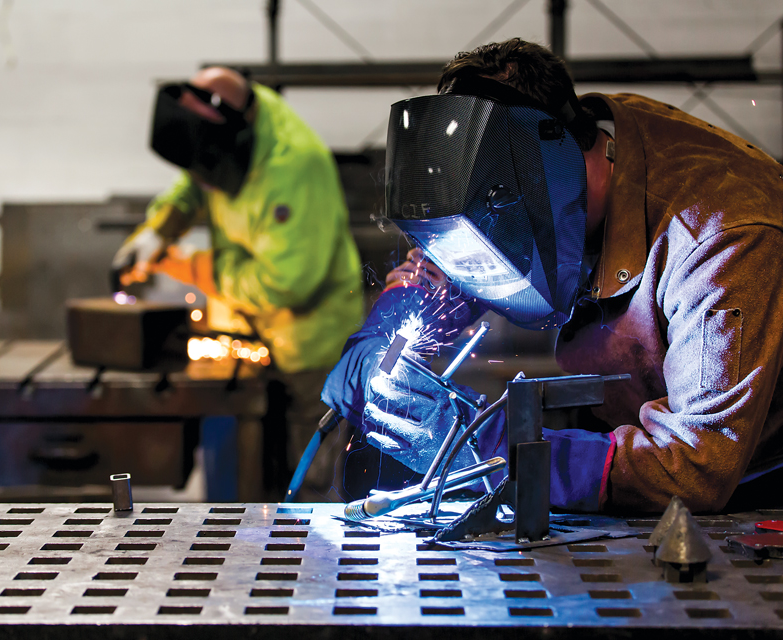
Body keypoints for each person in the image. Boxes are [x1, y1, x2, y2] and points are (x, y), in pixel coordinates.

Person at [321, 38, 783, 514]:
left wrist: (493, 444)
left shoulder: (720, 240)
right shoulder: (544, 166)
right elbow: (444, 267)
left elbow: (693, 469)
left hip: (751, 487)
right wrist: (378, 339)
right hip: (633, 444)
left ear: (547, 176)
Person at [114, 66, 364, 500]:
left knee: (308, 481)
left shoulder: (293, 166)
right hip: (254, 333)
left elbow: (286, 285)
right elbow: (194, 180)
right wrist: (159, 230)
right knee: (256, 473)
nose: (206, 182)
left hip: (311, 346)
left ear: (237, 136)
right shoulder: (221, 133)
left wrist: (187, 265)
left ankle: (306, 557)